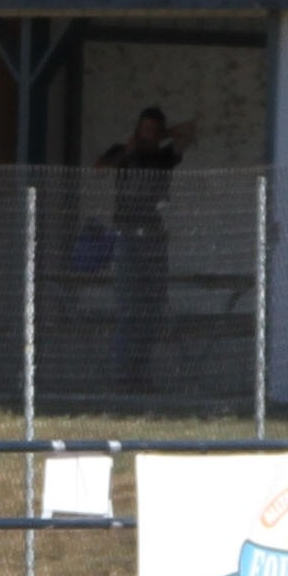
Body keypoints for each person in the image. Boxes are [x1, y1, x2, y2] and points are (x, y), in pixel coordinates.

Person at [99, 106, 197, 394]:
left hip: (153, 237)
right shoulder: (124, 152)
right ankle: (122, 374)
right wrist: (130, 148)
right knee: (129, 307)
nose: (149, 135)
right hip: (127, 235)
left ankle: (141, 373)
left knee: (151, 308)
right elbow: (99, 168)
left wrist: (164, 134)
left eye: (154, 130)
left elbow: (189, 136)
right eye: (145, 129)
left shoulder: (163, 157)